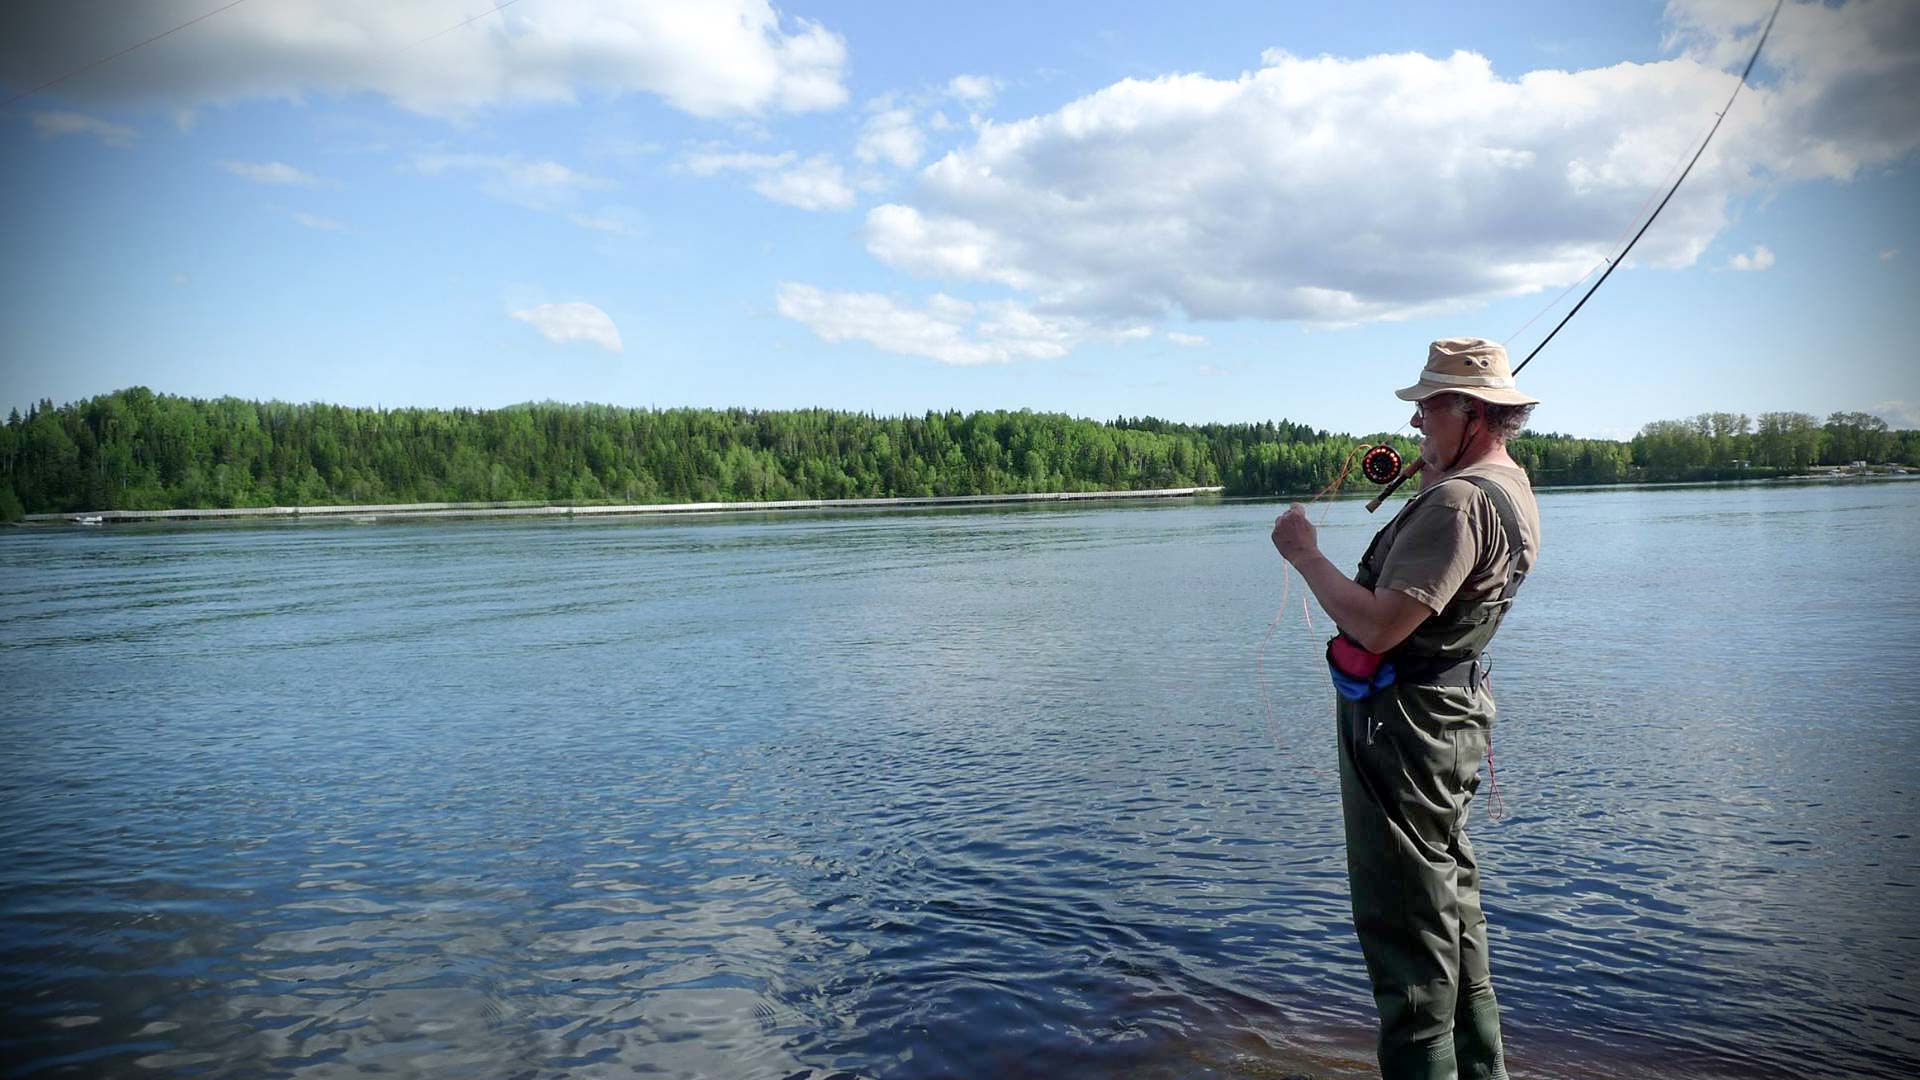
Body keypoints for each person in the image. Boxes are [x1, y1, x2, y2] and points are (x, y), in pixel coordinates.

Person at [1270, 337, 1542, 1080]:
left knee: (1404, 923)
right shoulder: (1506, 486)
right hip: (1448, 716)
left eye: (1429, 406)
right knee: (1449, 901)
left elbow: (1378, 626)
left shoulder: (1458, 502)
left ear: (1473, 413)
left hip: (1407, 730)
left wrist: (1304, 554)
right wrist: (1439, 471)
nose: (1416, 420)